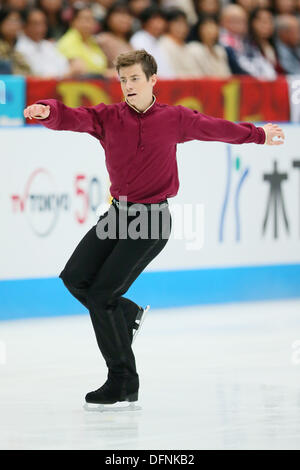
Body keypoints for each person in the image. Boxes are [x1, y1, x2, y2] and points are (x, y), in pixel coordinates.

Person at [23, 49, 285, 409]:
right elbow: (72, 116)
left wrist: (257, 135)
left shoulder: (174, 118)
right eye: (123, 80)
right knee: (75, 276)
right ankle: (126, 314)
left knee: (101, 296)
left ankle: (123, 381)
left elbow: (215, 127)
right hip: (117, 216)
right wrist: (47, 111)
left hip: (151, 221)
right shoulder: (108, 117)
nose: (128, 86)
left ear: (152, 80)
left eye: (134, 79)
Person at [96, 1, 134, 69]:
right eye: (120, 14)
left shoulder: (129, 42)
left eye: (128, 15)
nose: (125, 19)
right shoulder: (102, 39)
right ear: (109, 18)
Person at [0, 7, 31, 75]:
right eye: (10, 21)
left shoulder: (19, 49)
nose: (14, 25)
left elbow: (29, 73)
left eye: (17, 21)